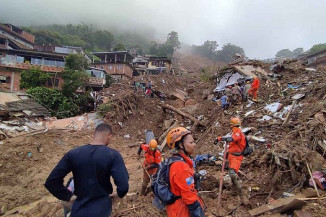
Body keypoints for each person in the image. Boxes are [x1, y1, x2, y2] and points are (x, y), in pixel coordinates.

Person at [45, 123, 129, 217]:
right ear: (109, 136)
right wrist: (119, 195)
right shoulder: (113, 155)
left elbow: (51, 182)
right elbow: (123, 185)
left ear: (94, 135)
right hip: (102, 210)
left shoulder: (73, 154)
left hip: (79, 210)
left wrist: (68, 196)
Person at [166, 127, 206, 217]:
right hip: (182, 211)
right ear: (180, 145)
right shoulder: (181, 167)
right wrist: (197, 210)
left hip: (177, 208)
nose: (194, 145)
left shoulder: (177, 161)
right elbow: (188, 196)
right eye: (191, 142)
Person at [216, 118, 249, 205]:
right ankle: (234, 190)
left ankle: (241, 194)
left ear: (232, 125)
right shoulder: (234, 132)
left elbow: (232, 139)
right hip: (232, 156)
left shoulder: (238, 133)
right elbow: (231, 144)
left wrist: (220, 138)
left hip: (236, 157)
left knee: (232, 173)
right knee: (232, 174)